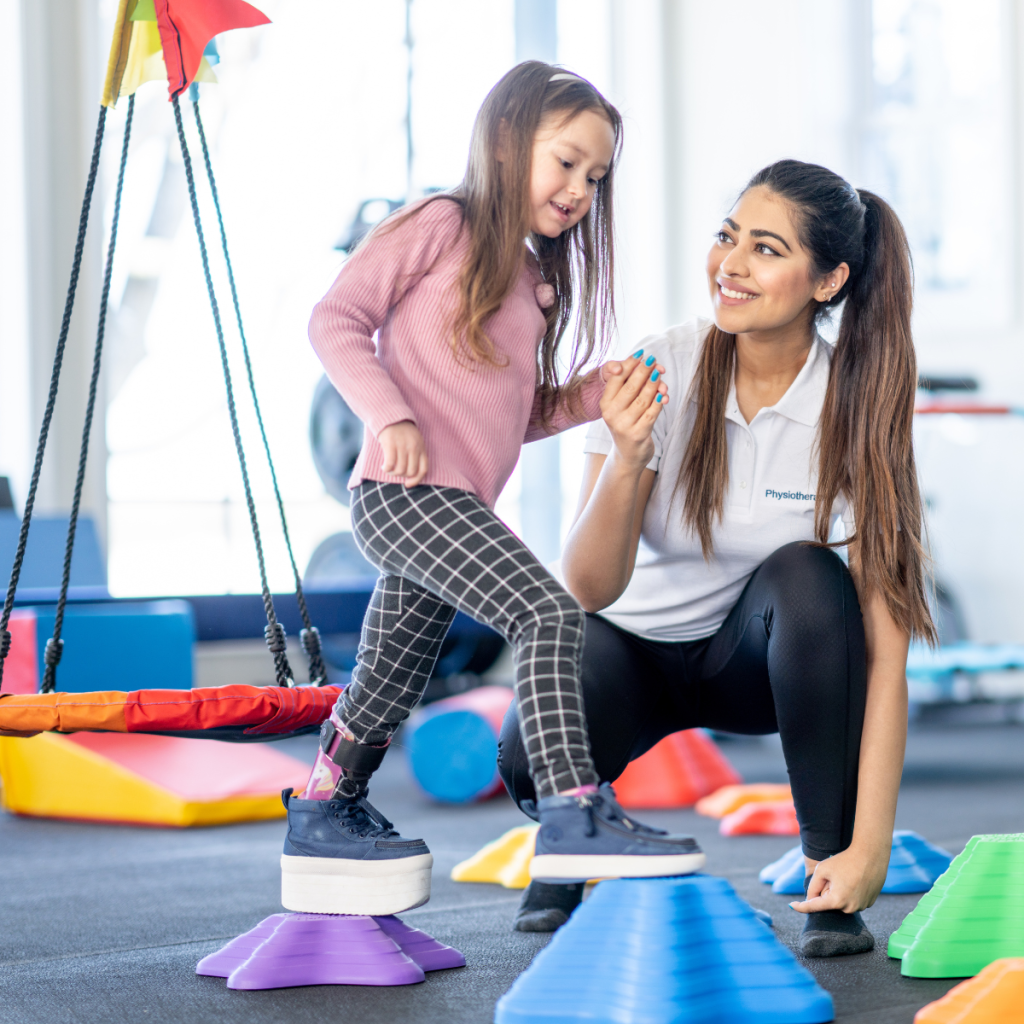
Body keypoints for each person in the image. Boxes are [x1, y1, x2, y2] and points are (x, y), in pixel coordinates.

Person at [285, 62, 704, 917]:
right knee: (548, 613)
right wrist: (390, 414)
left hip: (454, 505)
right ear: (509, 144)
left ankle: (326, 804)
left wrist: (593, 392)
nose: (580, 187)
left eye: (596, 175)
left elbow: (514, 415)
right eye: (566, 162)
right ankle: (573, 812)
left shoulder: (532, 283)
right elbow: (335, 319)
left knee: (389, 677)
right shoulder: (443, 223)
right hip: (406, 495)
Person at [498, 159, 935, 954]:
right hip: (627, 650)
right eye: (727, 237)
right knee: (526, 751)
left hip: (753, 669)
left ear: (828, 281)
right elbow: (589, 589)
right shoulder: (661, 365)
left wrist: (871, 846)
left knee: (811, 578)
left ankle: (828, 874)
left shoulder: (857, 408)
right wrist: (628, 457)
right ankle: (568, 837)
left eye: (766, 249)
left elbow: (887, 654)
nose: (730, 265)